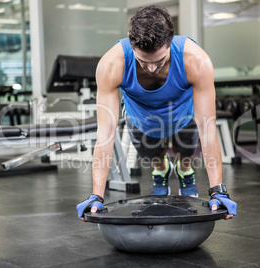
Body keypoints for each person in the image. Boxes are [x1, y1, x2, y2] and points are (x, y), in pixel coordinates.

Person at [77, 5, 236, 220]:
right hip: (141, 120)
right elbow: (105, 135)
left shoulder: (196, 61)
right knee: (155, 158)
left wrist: (218, 189)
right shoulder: (112, 64)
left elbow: (207, 128)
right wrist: (96, 195)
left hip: (183, 116)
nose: (151, 69)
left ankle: (184, 170)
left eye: (160, 61)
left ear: (170, 41)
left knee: (186, 156)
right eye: (143, 62)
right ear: (131, 43)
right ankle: (161, 169)